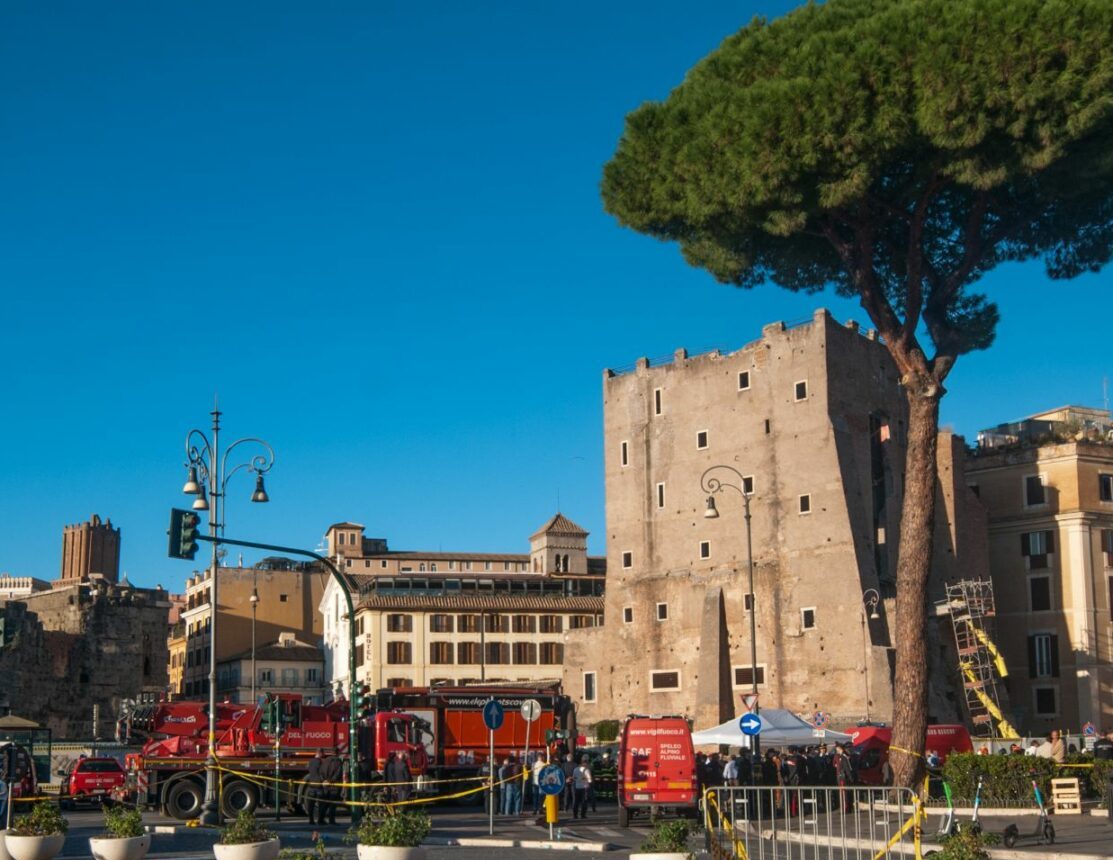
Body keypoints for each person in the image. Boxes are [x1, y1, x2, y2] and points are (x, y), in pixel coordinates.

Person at [320, 748, 344, 825]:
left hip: (326, 784)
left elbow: (321, 771)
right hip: (334, 785)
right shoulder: (338, 761)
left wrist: (324, 780)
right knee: (333, 804)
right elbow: (338, 773)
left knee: (326, 803)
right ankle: (331, 820)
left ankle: (321, 819)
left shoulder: (325, 761)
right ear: (337, 753)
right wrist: (331, 781)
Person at [306, 749, 325, 826]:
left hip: (311, 784)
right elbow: (322, 772)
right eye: (323, 753)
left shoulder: (310, 761)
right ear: (320, 753)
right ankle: (320, 820)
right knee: (321, 804)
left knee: (311, 804)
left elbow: (308, 769)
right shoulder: (320, 762)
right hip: (318, 785)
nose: (323, 755)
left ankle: (311, 820)